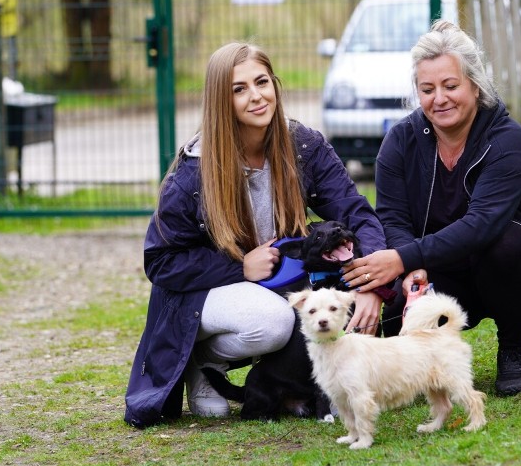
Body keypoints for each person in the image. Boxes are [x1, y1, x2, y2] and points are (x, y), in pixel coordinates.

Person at [124, 42, 386, 428]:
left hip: (274, 281)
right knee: (276, 321)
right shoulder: (194, 172)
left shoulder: (304, 147)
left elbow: (356, 212)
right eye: (239, 89)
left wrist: (370, 280)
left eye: (262, 82)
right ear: (220, 101)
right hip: (203, 291)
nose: (256, 96)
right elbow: (160, 261)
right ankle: (203, 361)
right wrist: (239, 267)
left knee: (327, 313)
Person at [342, 20, 521, 396]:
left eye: (451, 86)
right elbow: (392, 217)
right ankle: (421, 359)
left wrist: (402, 257)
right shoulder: (400, 140)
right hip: (436, 270)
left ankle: (514, 348)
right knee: (384, 320)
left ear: (475, 86)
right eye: (427, 89)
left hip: (499, 267)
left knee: (509, 244)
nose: (439, 99)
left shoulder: (510, 142)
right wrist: (410, 267)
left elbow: (482, 224)